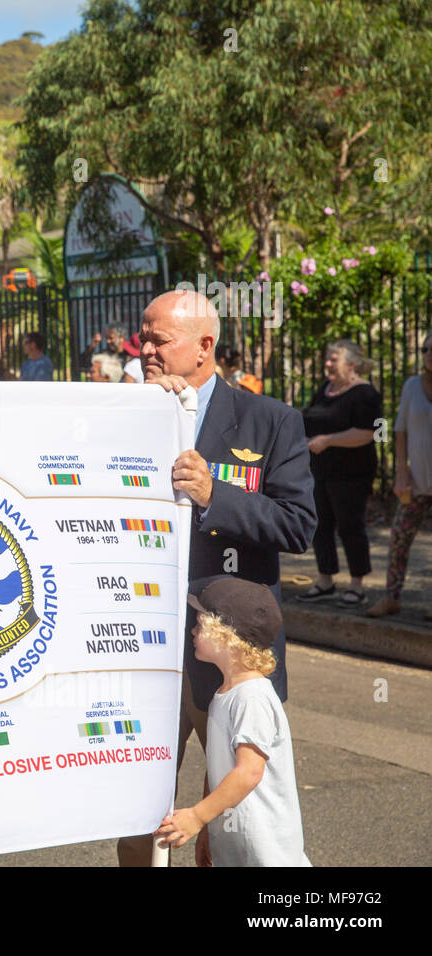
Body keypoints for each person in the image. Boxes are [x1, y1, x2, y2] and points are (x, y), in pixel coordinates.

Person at [118, 288, 315, 867]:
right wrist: (135, 417)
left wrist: (214, 496)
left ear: (205, 346)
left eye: (160, 339)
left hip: (223, 648)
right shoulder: (123, 413)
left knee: (225, 815)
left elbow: (298, 525)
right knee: (135, 810)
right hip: (140, 643)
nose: (146, 349)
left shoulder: (271, 420)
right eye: (144, 336)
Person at [155, 577, 310, 866]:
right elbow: (220, 771)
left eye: (200, 624)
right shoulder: (226, 693)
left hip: (267, 853)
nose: (192, 629)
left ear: (227, 637)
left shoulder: (251, 697)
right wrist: (210, 833)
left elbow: (248, 773)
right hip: (241, 847)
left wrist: (197, 817)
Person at [297, 340, 382, 606]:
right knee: (320, 525)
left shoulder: (366, 394)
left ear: (352, 364)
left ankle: (357, 585)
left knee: (350, 526)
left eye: (334, 359)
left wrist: (328, 440)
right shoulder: (325, 390)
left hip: (352, 474)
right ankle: (326, 581)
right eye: (327, 359)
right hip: (321, 471)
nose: (328, 364)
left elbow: (370, 433)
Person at [368, 332, 432, 620]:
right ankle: (392, 597)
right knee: (399, 539)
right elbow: (400, 432)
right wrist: (401, 475)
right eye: (426, 348)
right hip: (416, 481)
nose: (429, 353)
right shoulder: (412, 386)